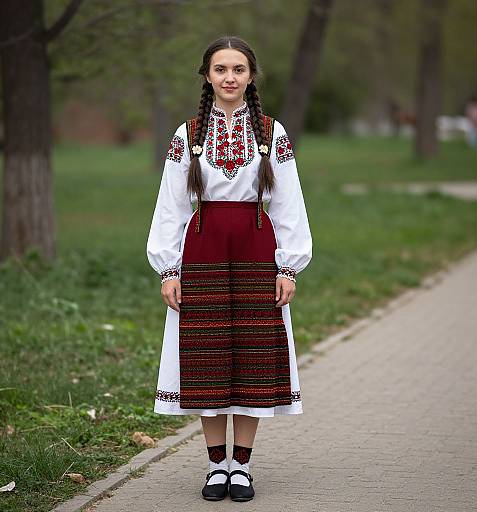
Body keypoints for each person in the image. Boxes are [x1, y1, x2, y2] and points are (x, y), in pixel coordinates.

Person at [146, 36, 313, 502]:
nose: (229, 78)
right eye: (220, 69)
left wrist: (289, 267)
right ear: (207, 76)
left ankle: (242, 466)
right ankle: (215, 465)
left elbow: (288, 204)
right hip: (202, 252)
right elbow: (171, 206)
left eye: (238, 69)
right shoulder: (189, 135)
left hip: (258, 251)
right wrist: (168, 269)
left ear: (251, 76)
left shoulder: (270, 133)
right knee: (207, 356)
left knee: (253, 358)